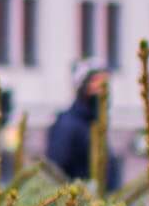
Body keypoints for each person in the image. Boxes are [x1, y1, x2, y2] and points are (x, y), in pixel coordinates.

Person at [46, 61, 118, 189]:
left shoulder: (95, 125)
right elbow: (55, 172)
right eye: (96, 81)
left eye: (105, 82)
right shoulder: (67, 125)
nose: (102, 88)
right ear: (83, 86)